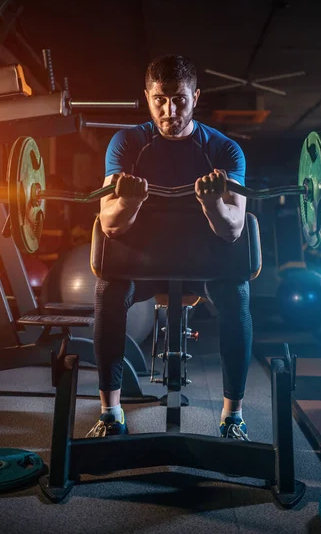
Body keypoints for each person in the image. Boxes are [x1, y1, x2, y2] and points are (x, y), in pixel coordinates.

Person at [86, 55, 253, 440]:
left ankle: (233, 416)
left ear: (196, 96)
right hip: (144, 263)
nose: (169, 110)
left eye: (179, 98)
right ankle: (111, 413)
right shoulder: (127, 143)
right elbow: (110, 225)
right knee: (108, 291)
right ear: (147, 96)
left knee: (237, 295)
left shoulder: (225, 151)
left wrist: (213, 202)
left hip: (204, 264)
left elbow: (232, 231)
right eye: (159, 99)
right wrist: (128, 201)